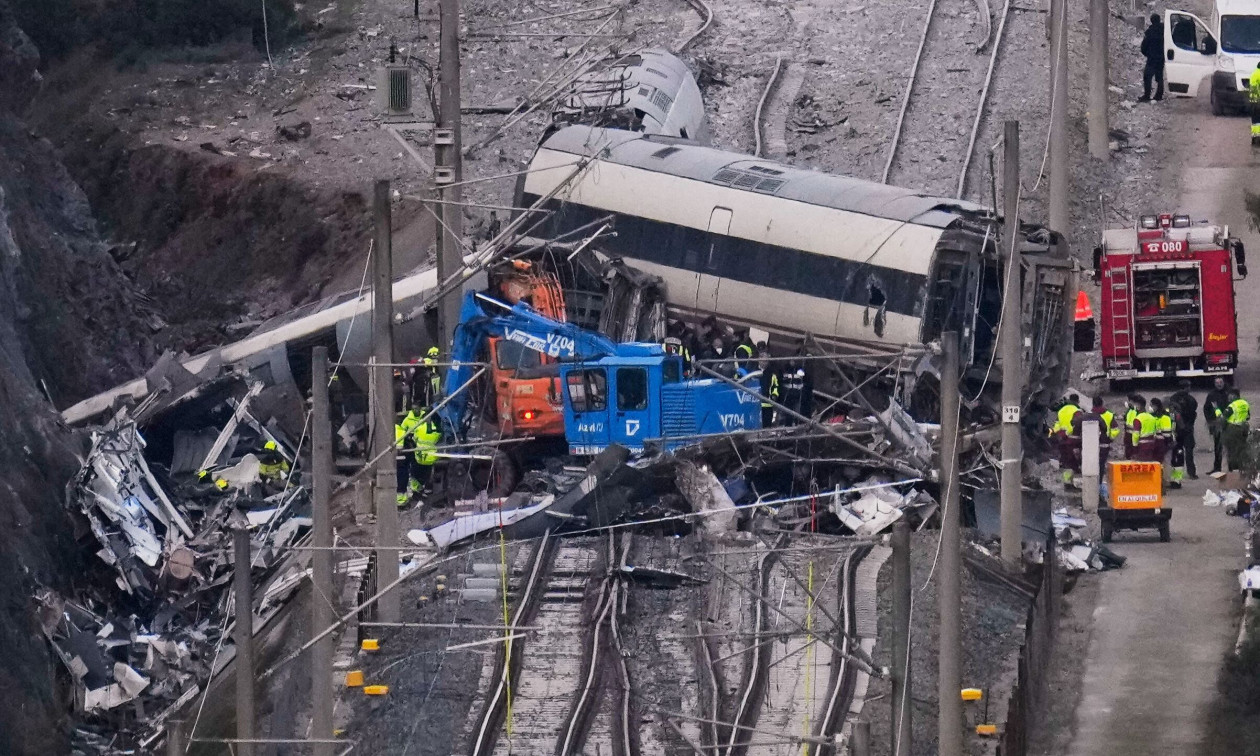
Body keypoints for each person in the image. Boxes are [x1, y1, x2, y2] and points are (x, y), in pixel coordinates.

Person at [1169, 379, 1199, 480]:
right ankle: (1191, 473)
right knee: (1189, 452)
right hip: (1188, 428)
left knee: (1178, 452)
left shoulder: (1173, 399)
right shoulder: (1191, 399)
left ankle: (1177, 475)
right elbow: (1193, 414)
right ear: (1187, 387)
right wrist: (1189, 425)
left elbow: (1171, 414)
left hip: (1177, 429)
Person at [1051, 394, 1083, 487]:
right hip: (1073, 440)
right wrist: (1067, 433)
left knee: (1066, 462)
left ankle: (1067, 482)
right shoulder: (1077, 411)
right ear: (1077, 401)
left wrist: (1060, 434)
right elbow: (1076, 425)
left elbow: (1056, 425)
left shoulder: (1061, 410)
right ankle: (1069, 483)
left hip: (1062, 440)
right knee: (1072, 462)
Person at [410, 412, 443, 500]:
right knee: (428, 474)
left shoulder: (419, 428)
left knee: (415, 474)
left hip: (419, 457)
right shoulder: (437, 428)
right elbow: (439, 438)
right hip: (431, 457)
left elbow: (414, 439)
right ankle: (428, 490)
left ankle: (417, 492)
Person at [1219, 388, 1251, 471]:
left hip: (1233, 430)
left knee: (1232, 452)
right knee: (1241, 451)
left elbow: (1223, 419)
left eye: (1229, 395)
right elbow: (1248, 417)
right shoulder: (1245, 403)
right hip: (1243, 429)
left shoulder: (1232, 406)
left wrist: (1216, 410)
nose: (1228, 397)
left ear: (1234, 395)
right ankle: (1242, 470)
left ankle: (1234, 472)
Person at [1151, 398, 1179, 487]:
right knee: (1161, 462)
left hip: (1165, 442)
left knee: (1166, 462)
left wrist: (1167, 445)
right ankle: (1160, 480)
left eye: (1152, 405)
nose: (1151, 407)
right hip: (1158, 442)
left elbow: (1167, 434)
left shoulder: (1165, 416)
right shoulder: (1156, 415)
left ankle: (1165, 481)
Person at [1204, 377, 1230, 473]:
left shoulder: (1229, 393)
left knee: (1231, 447)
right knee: (1218, 447)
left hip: (1229, 425)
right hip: (1217, 425)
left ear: (1224, 382)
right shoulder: (1211, 395)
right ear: (1214, 384)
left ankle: (1232, 469)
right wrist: (1210, 421)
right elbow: (1206, 408)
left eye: (1221, 382)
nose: (1219, 384)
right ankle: (1217, 468)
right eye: (1217, 382)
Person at [1139, 13, 1165, 102]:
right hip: (1161, 57)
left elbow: (1144, 46)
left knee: (1147, 76)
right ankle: (1159, 95)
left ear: (1151, 21)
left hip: (1152, 58)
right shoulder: (1164, 30)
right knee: (1159, 76)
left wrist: (1147, 54)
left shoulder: (1149, 32)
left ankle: (1147, 96)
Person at [1135, 397, 1160, 462]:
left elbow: (1136, 435)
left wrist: (1134, 446)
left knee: (1142, 465)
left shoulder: (1138, 418)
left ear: (1139, 406)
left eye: (1136, 404)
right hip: (1152, 445)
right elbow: (1155, 432)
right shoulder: (1152, 417)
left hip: (1142, 445)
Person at [1250, 63, 1260, 142]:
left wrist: (1254, 101)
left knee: (1256, 119)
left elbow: (1253, 89)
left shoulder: (1254, 74)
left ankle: (1256, 136)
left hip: (1256, 101)